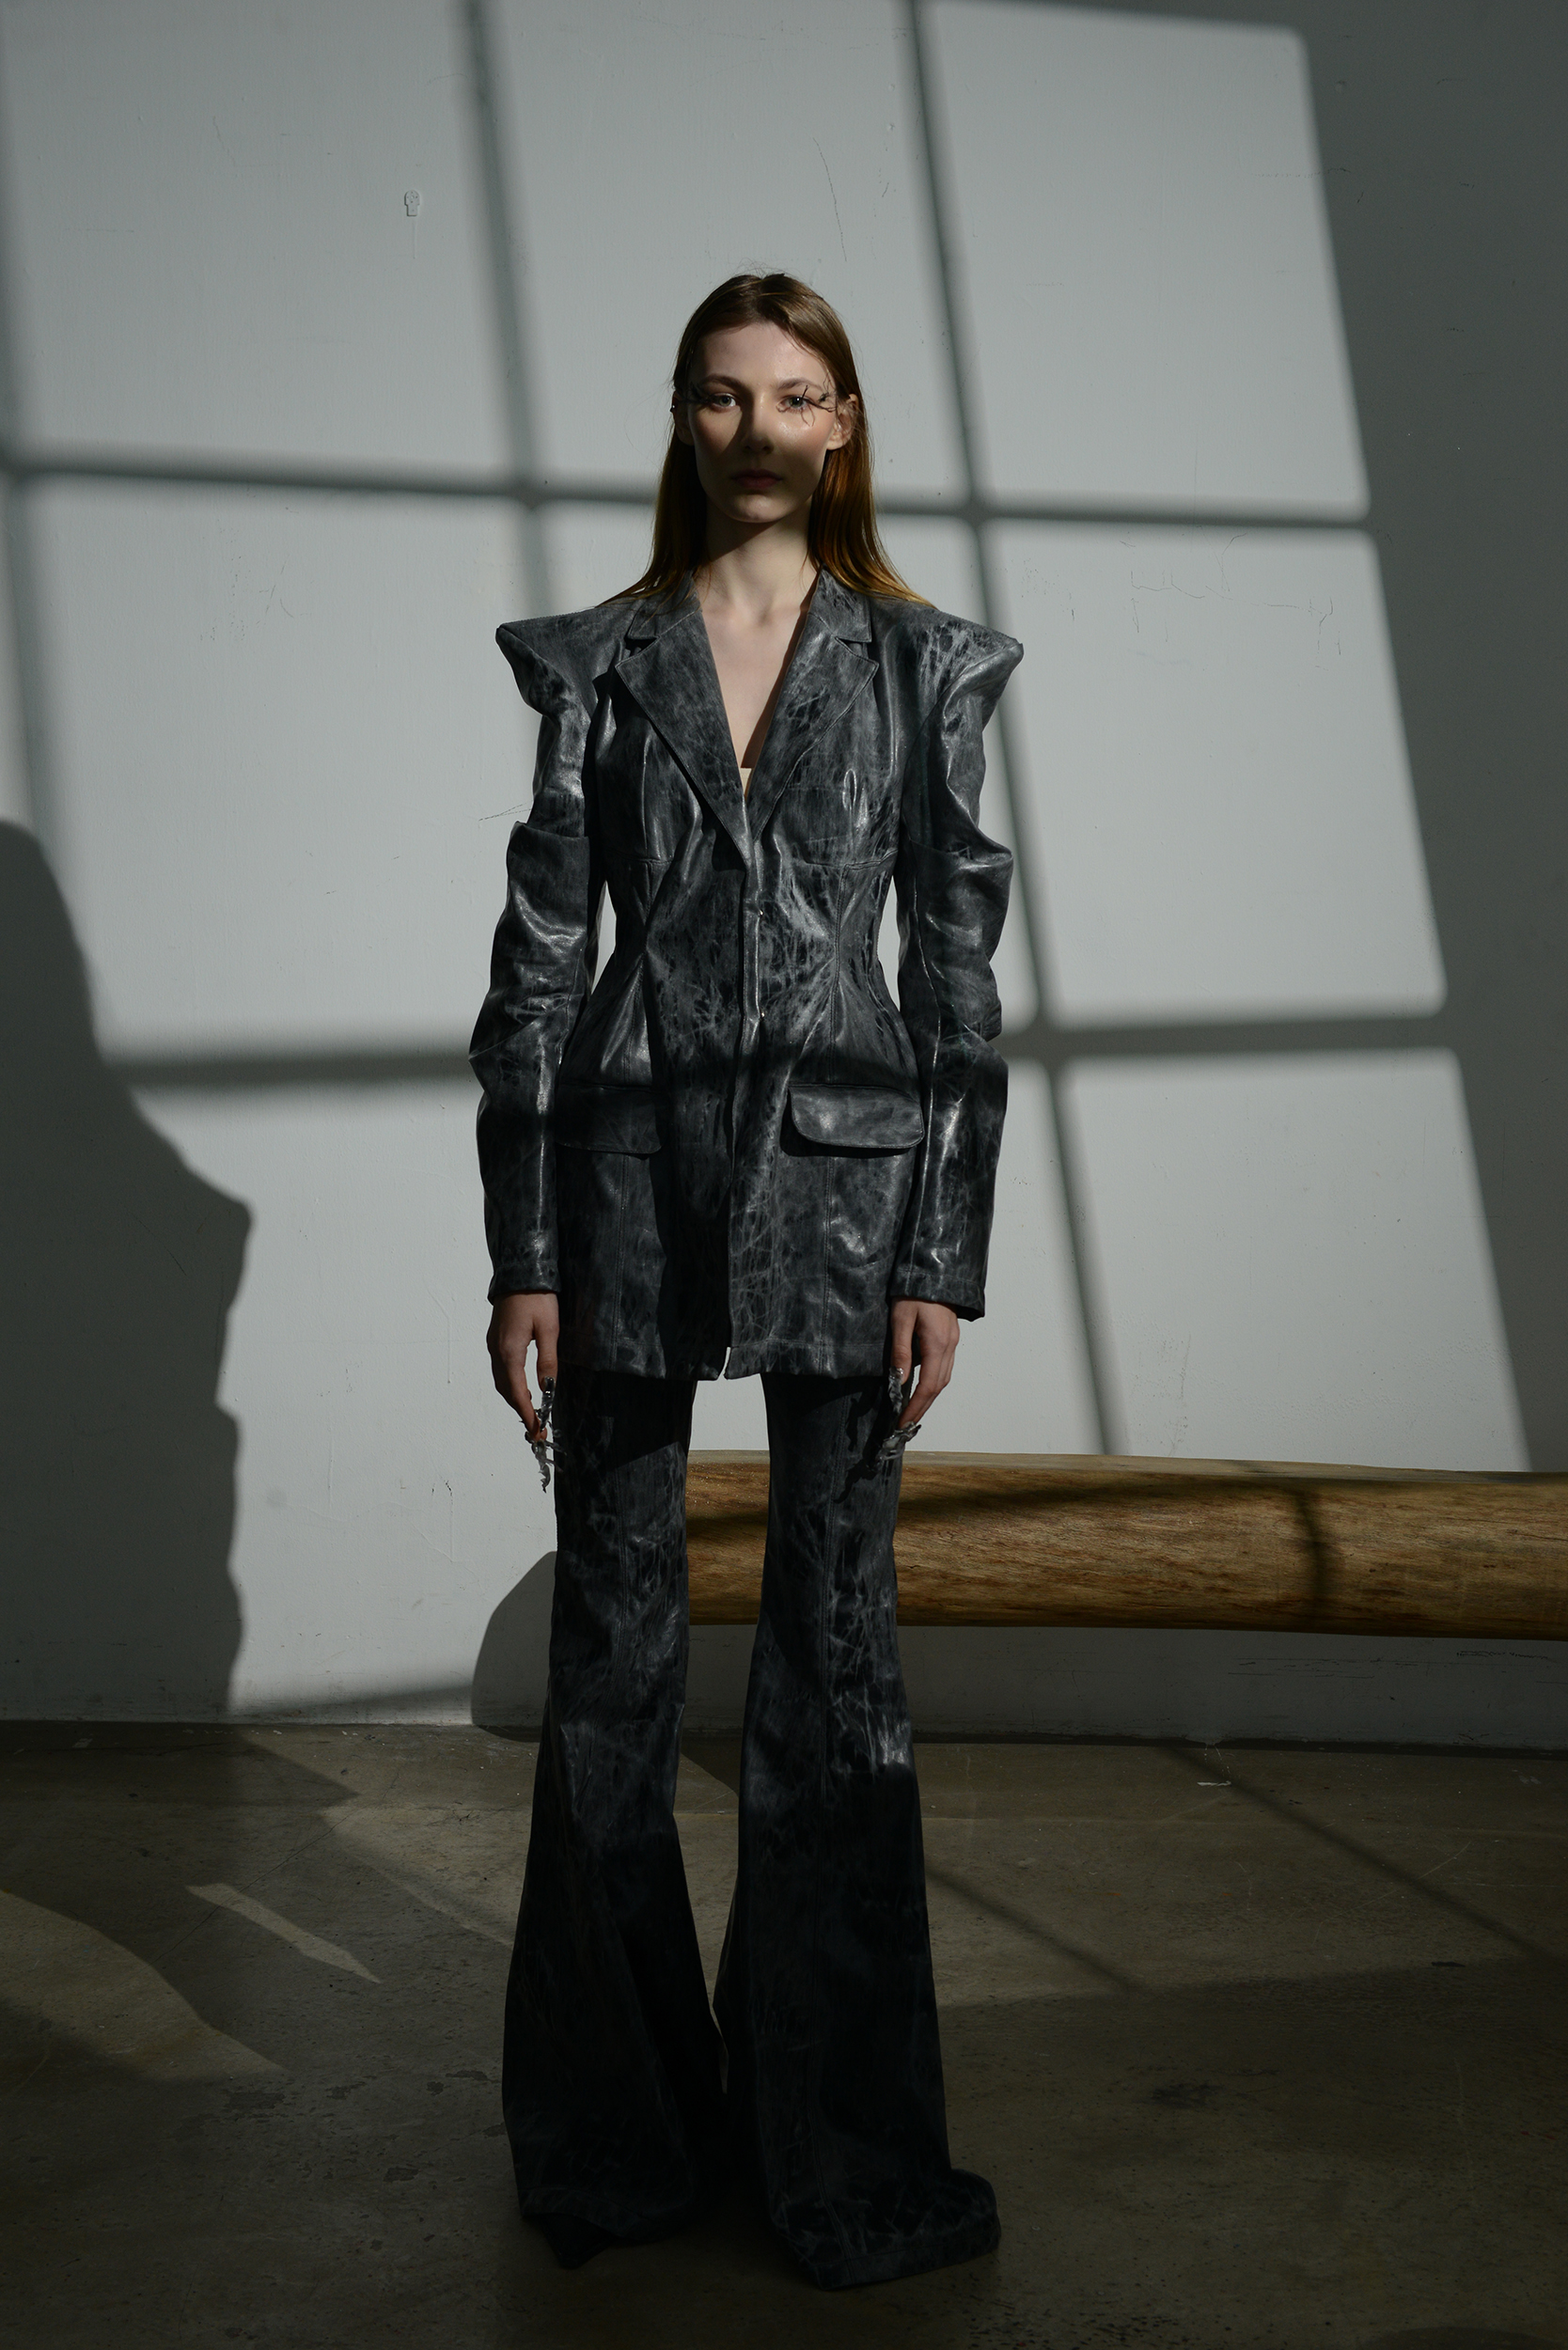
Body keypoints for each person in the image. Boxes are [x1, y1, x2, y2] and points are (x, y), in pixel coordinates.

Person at [470, 270, 1021, 2290]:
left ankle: (838, 2148)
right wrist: (522, 1249)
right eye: (722, 395)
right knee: (613, 1660)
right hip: (622, 1177)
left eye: (796, 394)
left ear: (845, 421)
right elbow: (538, 973)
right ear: (683, 421)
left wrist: (944, 1247)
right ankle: (617, 2134)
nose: (759, 428)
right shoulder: (596, 666)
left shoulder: (927, 668)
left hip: (853, 1193)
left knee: (834, 1664)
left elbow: (954, 977)